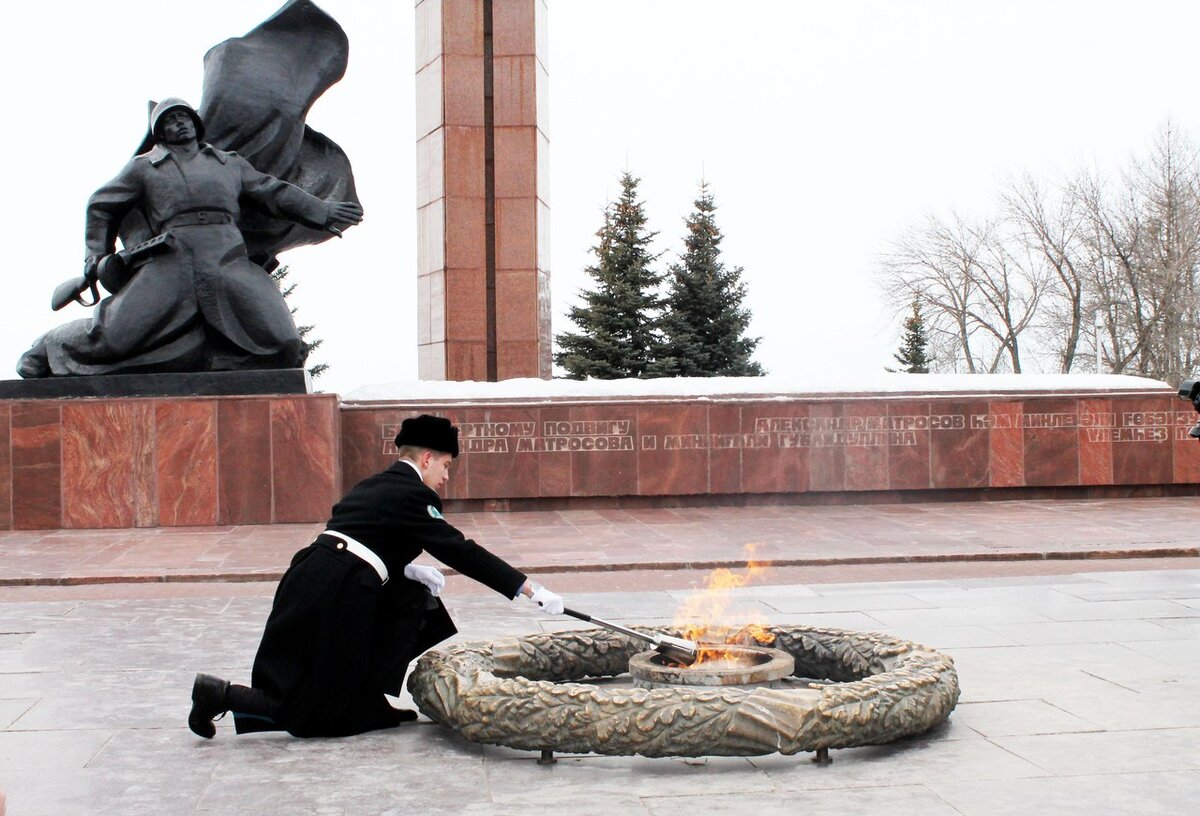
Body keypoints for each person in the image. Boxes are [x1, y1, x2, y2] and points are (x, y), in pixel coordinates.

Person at [188, 414, 565, 738]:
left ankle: (368, 701)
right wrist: (528, 588)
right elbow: (458, 549)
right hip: (337, 589)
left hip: (319, 576)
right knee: (311, 713)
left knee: (412, 599)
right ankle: (218, 694)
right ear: (428, 458)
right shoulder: (414, 494)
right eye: (447, 466)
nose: (447, 476)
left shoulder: (377, 483)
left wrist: (401, 567)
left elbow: (362, 530)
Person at [17, 98, 363, 377]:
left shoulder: (229, 164)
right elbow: (101, 205)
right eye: (168, 121)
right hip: (170, 261)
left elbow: (274, 192)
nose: (178, 123)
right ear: (160, 133)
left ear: (195, 124)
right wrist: (96, 257)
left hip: (226, 257)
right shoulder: (143, 168)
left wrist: (323, 211)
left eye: (183, 117)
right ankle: (46, 347)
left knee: (284, 345)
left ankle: (210, 363)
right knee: (111, 339)